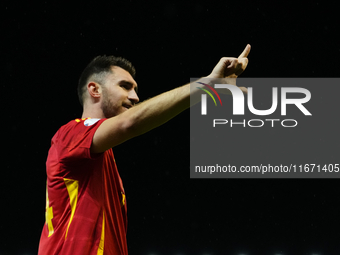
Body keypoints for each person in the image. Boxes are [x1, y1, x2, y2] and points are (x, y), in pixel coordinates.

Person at [38, 44, 251, 255]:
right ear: (94, 89)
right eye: (125, 86)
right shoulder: (69, 135)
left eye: (135, 89)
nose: (135, 97)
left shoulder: (105, 160)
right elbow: (130, 123)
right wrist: (206, 85)